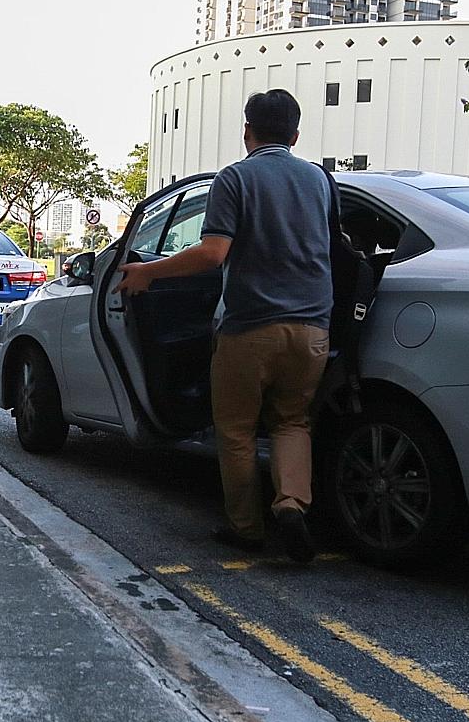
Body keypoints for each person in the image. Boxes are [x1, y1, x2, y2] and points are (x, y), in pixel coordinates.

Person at [115, 88, 333, 563]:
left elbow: (214, 253)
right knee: (292, 422)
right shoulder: (319, 180)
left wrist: (148, 272)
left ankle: (247, 528)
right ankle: (292, 504)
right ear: (296, 135)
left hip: (250, 326)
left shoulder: (235, 178)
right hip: (314, 327)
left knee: (234, 430)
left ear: (247, 132)